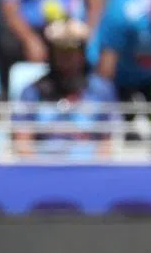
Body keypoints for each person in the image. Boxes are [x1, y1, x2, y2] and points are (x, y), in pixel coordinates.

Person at [13, 18, 118, 158]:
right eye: (61, 51)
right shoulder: (32, 92)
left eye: (72, 51)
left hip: (89, 170)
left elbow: (108, 141)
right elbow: (22, 141)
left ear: (82, 54)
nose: (67, 58)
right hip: (43, 170)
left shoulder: (101, 91)